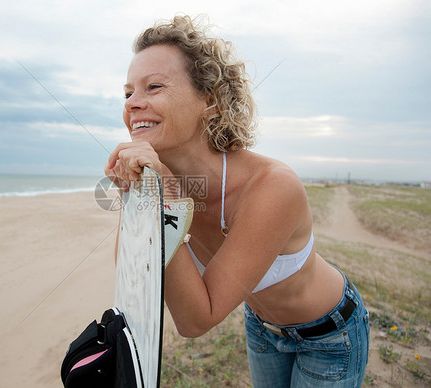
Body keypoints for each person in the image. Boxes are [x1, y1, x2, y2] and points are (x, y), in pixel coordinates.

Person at [104, 15, 369, 387]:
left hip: (329, 334)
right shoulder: (163, 182)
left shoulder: (272, 187)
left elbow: (197, 320)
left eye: (154, 86)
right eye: (128, 92)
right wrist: (140, 194)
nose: (133, 103)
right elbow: (134, 275)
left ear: (209, 100)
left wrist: (166, 204)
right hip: (262, 329)